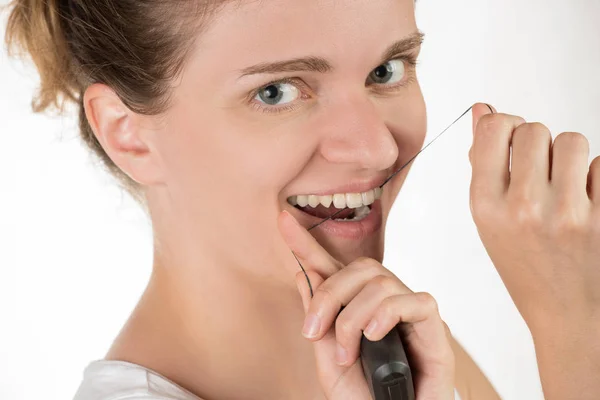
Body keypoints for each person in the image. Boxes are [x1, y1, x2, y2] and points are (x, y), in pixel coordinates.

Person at [4, 0, 599, 399]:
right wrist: (575, 325)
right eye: (276, 91)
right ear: (127, 133)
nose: (375, 149)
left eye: (386, 70)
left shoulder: (393, 342)